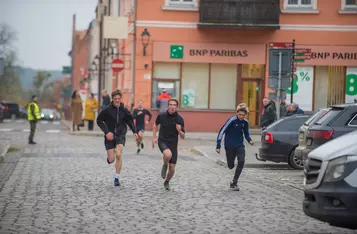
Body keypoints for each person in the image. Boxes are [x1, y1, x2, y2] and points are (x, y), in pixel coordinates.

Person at [96, 89, 138, 186]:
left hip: (120, 134)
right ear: (112, 99)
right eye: (115, 99)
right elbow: (99, 121)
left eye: (119, 98)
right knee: (111, 160)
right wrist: (106, 132)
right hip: (109, 136)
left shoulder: (124, 110)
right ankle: (111, 156)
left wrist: (134, 131)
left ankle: (116, 178)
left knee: (119, 154)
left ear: (121, 99)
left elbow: (129, 121)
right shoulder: (107, 109)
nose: (117, 100)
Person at [216, 107, 253, 191]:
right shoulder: (231, 120)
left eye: (243, 115)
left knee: (241, 161)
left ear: (245, 115)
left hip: (239, 145)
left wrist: (249, 140)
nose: (241, 117)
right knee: (230, 166)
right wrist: (218, 146)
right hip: (229, 146)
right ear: (236, 113)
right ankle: (231, 167)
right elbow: (222, 131)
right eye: (239, 115)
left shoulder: (245, 122)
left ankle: (234, 182)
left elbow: (246, 134)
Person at [152, 98, 185, 190]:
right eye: (170, 104)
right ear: (168, 106)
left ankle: (167, 182)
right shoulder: (162, 116)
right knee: (168, 154)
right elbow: (155, 125)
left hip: (173, 144)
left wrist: (179, 131)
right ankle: (165, 164)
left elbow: (183, 136)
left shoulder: (180, 119)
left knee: (172, 169)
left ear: (177, 107)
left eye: (174, 105)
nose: (172, 107)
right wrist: (154, 137)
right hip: (162, 141)